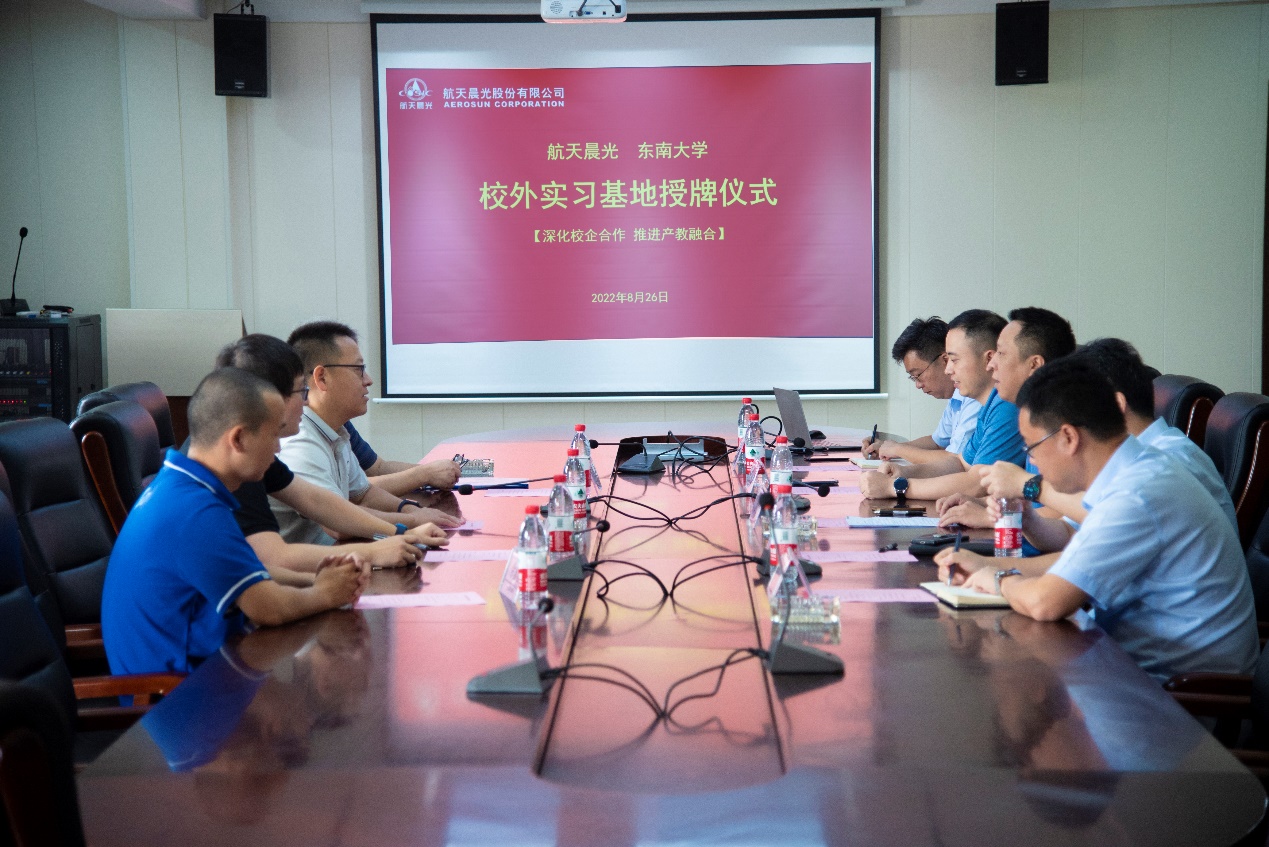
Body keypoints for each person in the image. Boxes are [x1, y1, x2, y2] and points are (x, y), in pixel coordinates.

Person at [935, 358, 1257, 682]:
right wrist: (988, 565)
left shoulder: (1137, 493)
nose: (1030, 461)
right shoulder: (1138, 470)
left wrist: (997, 580)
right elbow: (1073, 559)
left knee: (1001, 678)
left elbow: (1046, 603)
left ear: (1068, 437)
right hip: (1134, 669)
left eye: (1031, 447)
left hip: (1176, 696)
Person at [102, 368, 368, 675]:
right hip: (177, 692)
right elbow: (267, 607)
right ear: (239, 438)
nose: (278, 449)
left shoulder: (184, 488)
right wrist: (325, 593)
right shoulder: (195, 512)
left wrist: (318, 580)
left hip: (211, 668)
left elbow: (247, 572)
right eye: (273, 435)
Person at [214, 334, 448, 575]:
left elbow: (319, 501)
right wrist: (373, 551)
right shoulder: (231, 472)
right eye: (302, 391)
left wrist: (401, 533)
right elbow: (273, 559)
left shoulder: (252, 456)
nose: (306, 402)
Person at [976, 337, 1238, 535]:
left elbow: (1104, 519)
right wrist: (1028, 521)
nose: (1069, 422)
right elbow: (1071, 533)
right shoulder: (1124, 460)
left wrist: (1028, 485)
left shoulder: (1171, 461)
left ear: (1115, 405)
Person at [274, 321, 460, 545]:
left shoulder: (335, 430)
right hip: (313, 563)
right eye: (358, 370)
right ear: (322, 377)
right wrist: (410, 522)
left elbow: (363, 494)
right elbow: (337, 523)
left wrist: (410, 509)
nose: (368, 380)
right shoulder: (301, 442)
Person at [936, 307, 1077, 530]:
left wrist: (991, 517)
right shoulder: (1033, 415)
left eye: (1001, 354)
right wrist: (982, 503)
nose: (991, 364)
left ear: (1034, 365)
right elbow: (1037, 506)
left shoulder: (1063, 422)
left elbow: (1071, 512)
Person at [860, 309, 1023, 501]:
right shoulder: (991, 404)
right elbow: (959, 463)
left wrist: (894, 487)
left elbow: (977, 484)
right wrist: (903, 472)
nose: (948, 370)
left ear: (988, 359)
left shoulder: (1007, 405)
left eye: (954, 360)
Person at [861, 316, 981, 464]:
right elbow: (937, 442)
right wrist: (888, 448)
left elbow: (956, 460)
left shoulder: (974, 397)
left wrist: (898, 450)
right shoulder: (956, 397)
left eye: (917, 375)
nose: (918, 385)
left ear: (945, 360)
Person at [343, 419, 462, 497]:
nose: (367, 388)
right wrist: (424, 474)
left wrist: (435, 471)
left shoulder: (343, 425)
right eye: (360, 378)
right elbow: (356, 490)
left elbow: (378, 468)